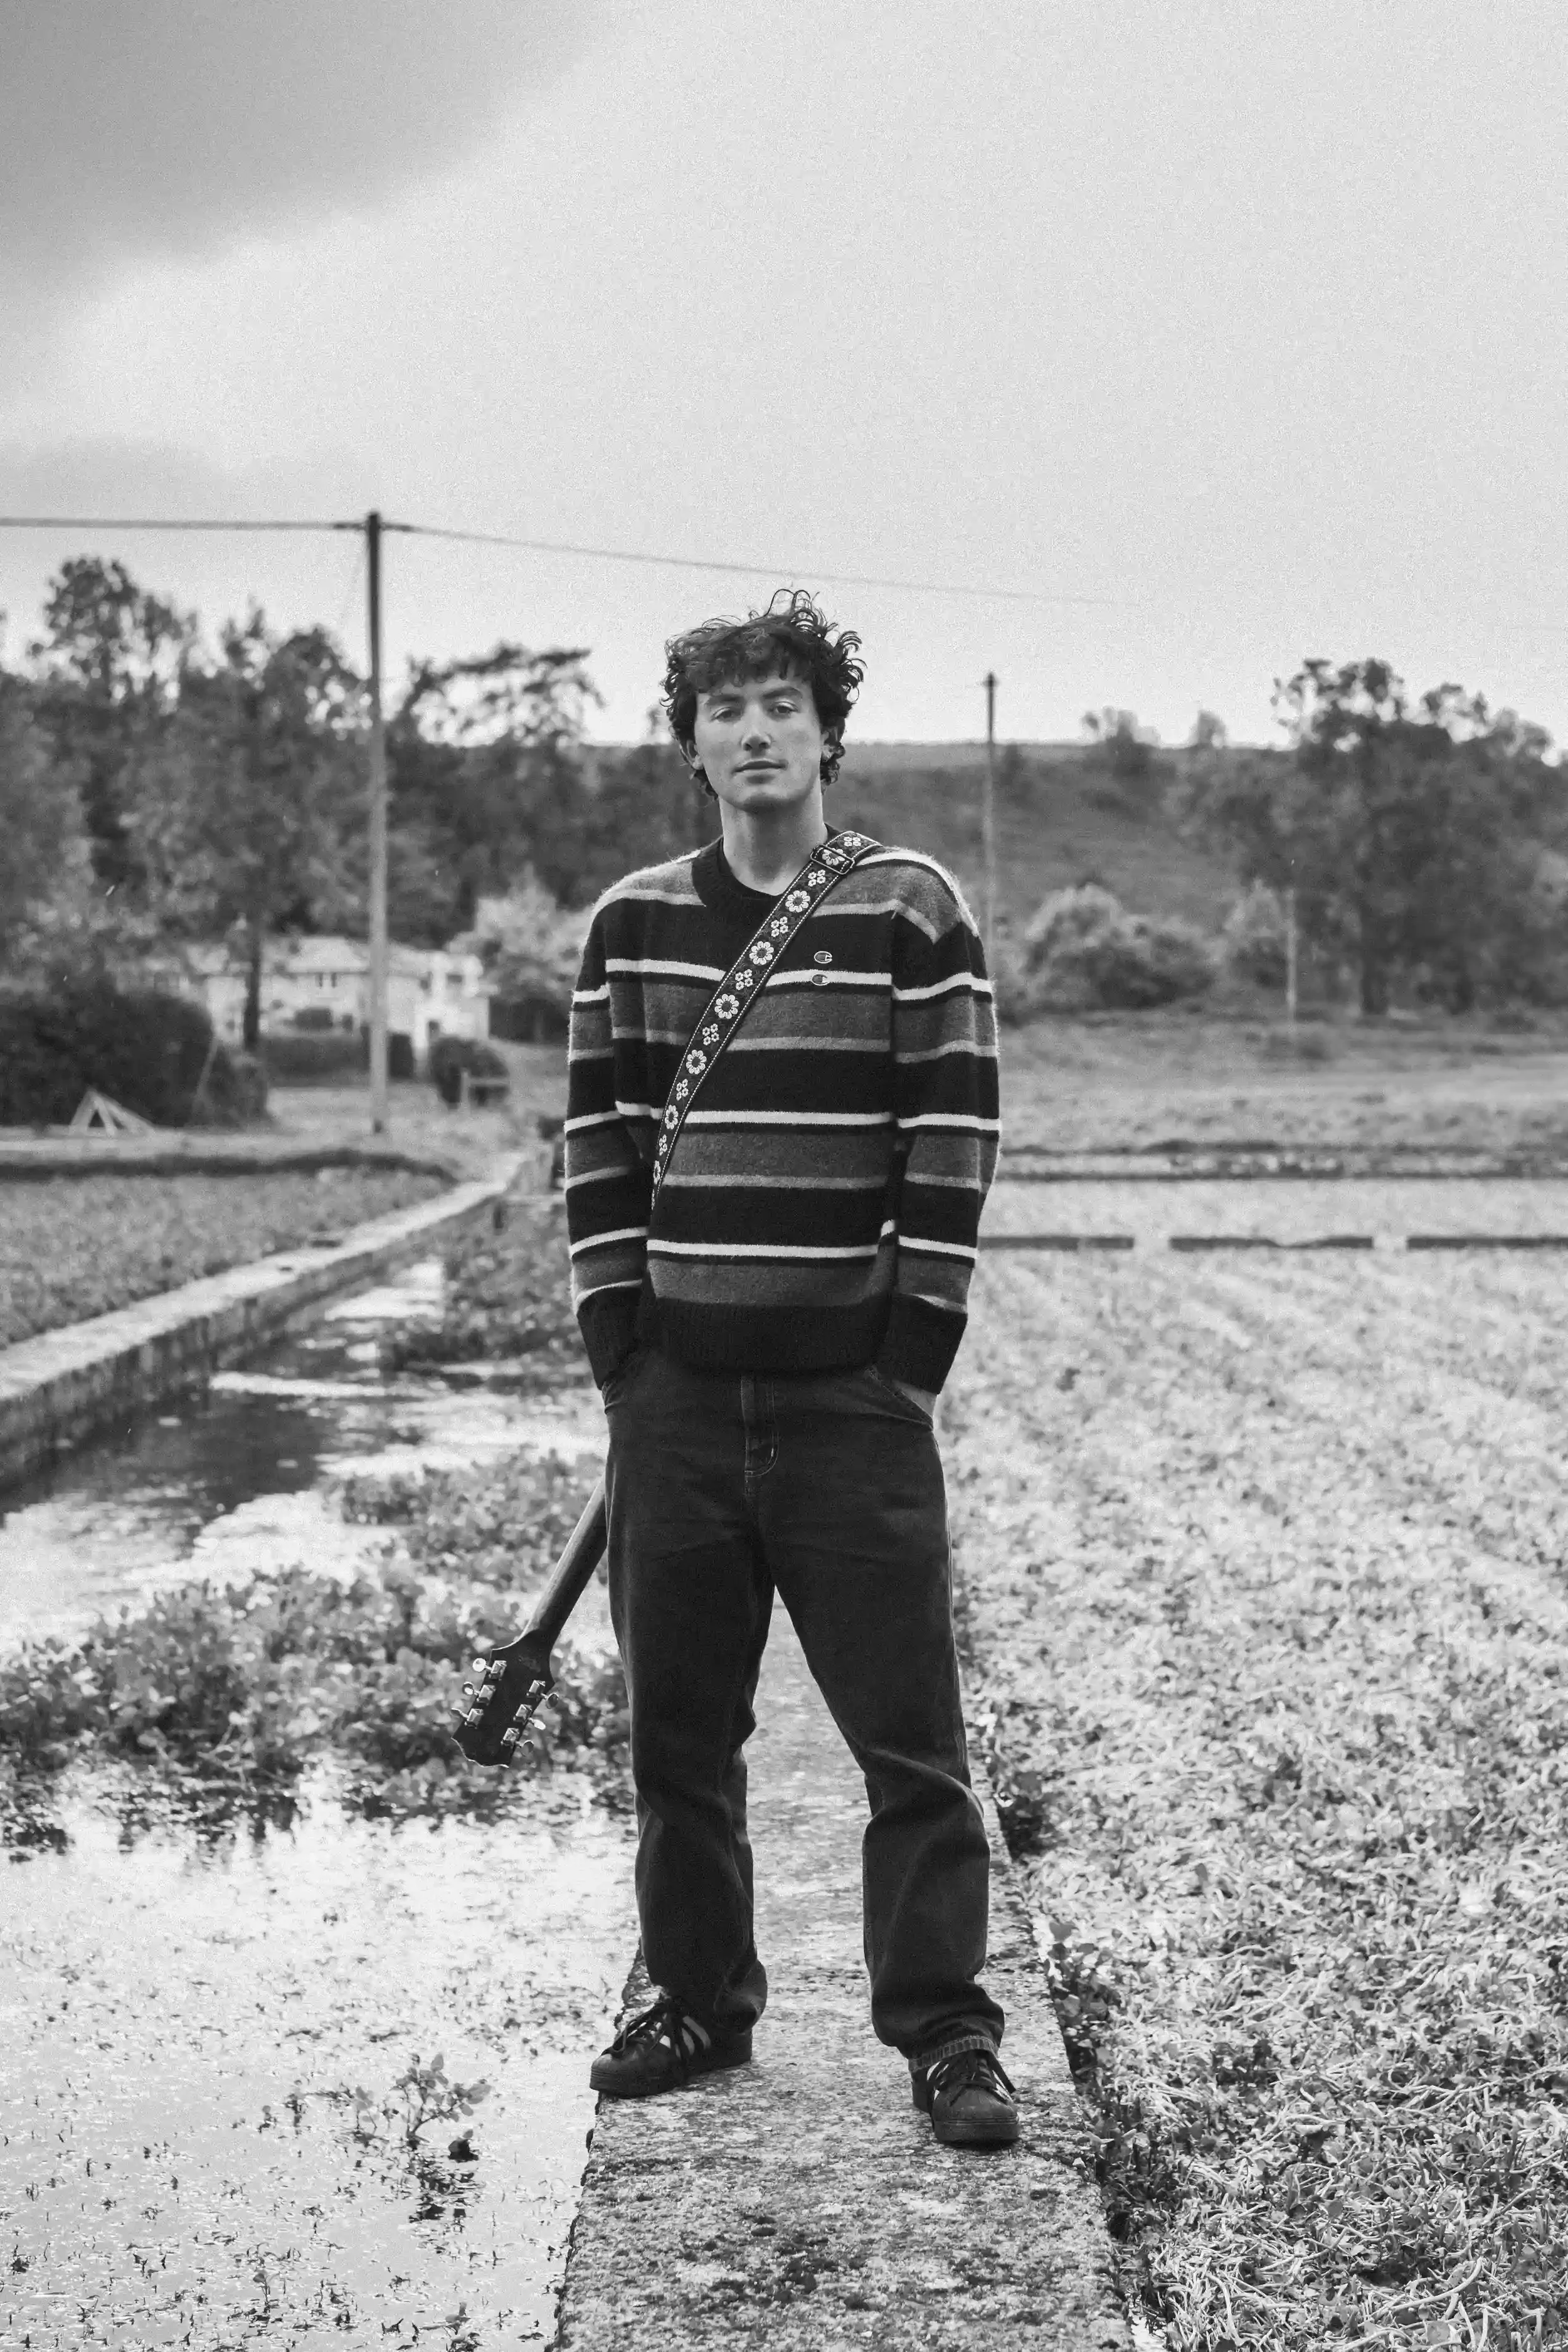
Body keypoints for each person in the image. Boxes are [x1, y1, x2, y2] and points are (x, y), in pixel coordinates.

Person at [563, 588, 1014, 2147]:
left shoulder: (905, 907)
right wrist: (621, 1349)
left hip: (849, 1407)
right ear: (689, 745)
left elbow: (949, 1134)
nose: (753, 732)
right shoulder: (629, 924)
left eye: (780, 706)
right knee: (677, 1739)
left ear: (827, 732)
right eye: (723, 711)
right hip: (677, 1403)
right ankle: (696, 2001)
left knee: (911, 1746)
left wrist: (907, 1355)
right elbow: (599, 1154)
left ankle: (945, 2034)